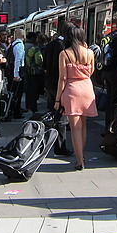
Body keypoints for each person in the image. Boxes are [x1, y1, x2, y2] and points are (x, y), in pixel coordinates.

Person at [54, 25, 98, 171]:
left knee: (75, 128)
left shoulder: (64, 54)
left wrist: (57, 99)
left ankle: (79, 161)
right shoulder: (90, 53)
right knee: (83, 125)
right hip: (87, 88)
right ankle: (82, 155)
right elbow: (91, 72)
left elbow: (62, 78)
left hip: (72, 91)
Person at [43, 20, 73, 157]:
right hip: (58, 83)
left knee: (52, 114)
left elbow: (44, 65)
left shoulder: (50, 45)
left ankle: (48, 142)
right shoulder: (64, 48)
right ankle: (60, 147)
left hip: (49, 82)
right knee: (61, 117)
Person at [6, 29, 27, 120]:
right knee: (18, 92)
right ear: (23, 36)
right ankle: (16, 112)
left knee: (14, 92)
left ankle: (13, 110)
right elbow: (18, 60)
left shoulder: (14, 44)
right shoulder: (20, 45)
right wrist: (16, 74)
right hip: (18, 71)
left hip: (14, 70)